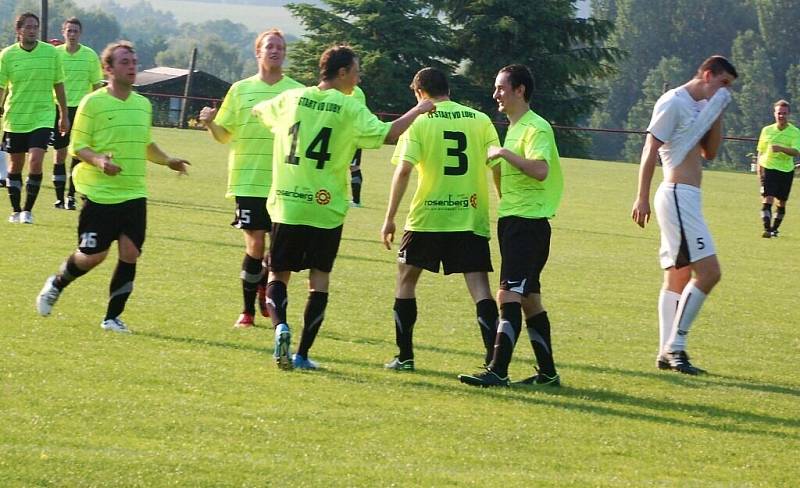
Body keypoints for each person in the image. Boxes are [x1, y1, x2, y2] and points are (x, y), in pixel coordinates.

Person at [252, 45, 434, 370]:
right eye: (356, 70)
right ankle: (303, 354)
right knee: (318, 279)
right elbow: (388, 133)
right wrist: (418, 109)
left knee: (279, 273)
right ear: (341, 73)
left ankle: (280, 325)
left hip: (288, 205)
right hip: (326, 208)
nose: (359, 76)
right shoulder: (349, 108)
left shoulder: (291, 98)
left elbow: (259, 111)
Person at [35, 41, 189, 332]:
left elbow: (146, 145)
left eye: (134, 61)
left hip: (134, 192)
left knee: (130, 253)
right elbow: (78, 147)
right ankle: (57, 283)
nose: (132, 66)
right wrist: (99, 162)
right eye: (124, 62)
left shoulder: (142, 105)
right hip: (100, 193)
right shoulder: (93, 103)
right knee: (93, 256)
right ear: (108, 69)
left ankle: (112, 318)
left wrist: (168, 160)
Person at [381, 67, 500, 372]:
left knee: (406, 280)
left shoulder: (419, 122)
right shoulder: (480, 120)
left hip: (428, 217)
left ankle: (405, 356)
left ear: (420, 92)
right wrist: (502, 198)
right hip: (469, 216)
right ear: (448, 89)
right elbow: (496, 164)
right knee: (480, 287)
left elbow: (404, 171)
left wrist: (390, 217)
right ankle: (494, 359)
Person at [631, 55, 738, 375]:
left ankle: (666, 352)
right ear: (707, 74)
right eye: (723, 83)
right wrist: (641, 197)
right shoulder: (674, 102)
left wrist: (716, 110)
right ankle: (676, 347)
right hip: (677, 195)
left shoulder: (701, 106)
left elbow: (710, 153)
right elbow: (650, 149)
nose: (725, 90)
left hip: (687, 197)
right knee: (709, 272)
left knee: (677, 276)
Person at [458, 64, 563, 387]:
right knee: (529, 297)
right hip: (514, 220)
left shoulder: (536, 128)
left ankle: (497, 370)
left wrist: (504, 153)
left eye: (501, 88)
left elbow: (541, 170)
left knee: (507, 295)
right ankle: (547, 375)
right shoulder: (515, 127)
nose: (496, 95)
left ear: (520, 90)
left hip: (527, 224)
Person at [199, 29, 303, 329]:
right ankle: (247, 312)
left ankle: (266, 293)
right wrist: (209, 124)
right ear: (258, 52)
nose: (275, 51)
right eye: (269, 46)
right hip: (248, 179)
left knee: (279, 250)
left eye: (280, 47)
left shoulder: (297, 91)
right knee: (255, 244)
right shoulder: (241, 90)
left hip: (286, 182)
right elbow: (224, 134)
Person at [0, 12, 69, 224]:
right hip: (16, 117)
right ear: (19, 30)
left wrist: (64, 115)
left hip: (43, 116)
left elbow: (58, 84)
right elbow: (1, 86)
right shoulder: (7, 55)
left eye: (35, 26)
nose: (32, 30)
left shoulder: (50, 53)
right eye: (28, 26)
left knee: (37, 161)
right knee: (14, 167)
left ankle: (28, 211)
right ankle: (15, 210)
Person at [52, 17, 103, 210]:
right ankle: (58, 198)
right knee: (59, 154)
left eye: (75, 31)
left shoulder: (90, 56)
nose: (72, 35)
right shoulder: (55, 54)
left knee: (78, 154)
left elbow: (97, 86)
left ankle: (71, 196)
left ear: (80, 34)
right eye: (69, 31)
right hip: (58, 109)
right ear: (63, 32)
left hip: (81, 111)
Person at [756, 99, 800, 238]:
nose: (781, 116)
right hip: (768, 167)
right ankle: (767, 229)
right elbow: (760, 151)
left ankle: (774, 229)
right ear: (774, 114)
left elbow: (796, 151)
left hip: (786, 170)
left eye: (784, 113)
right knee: (767, 198)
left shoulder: (794, 132)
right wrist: (759, 169)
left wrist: (780, 148)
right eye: (779, 113)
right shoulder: (767, 130)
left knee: (781, 202)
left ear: (789, 115)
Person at [349, 85, 367, 207]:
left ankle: (356, 201)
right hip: (350, 135)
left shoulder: (356, 92)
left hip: (351, 136)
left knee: (354, 167)